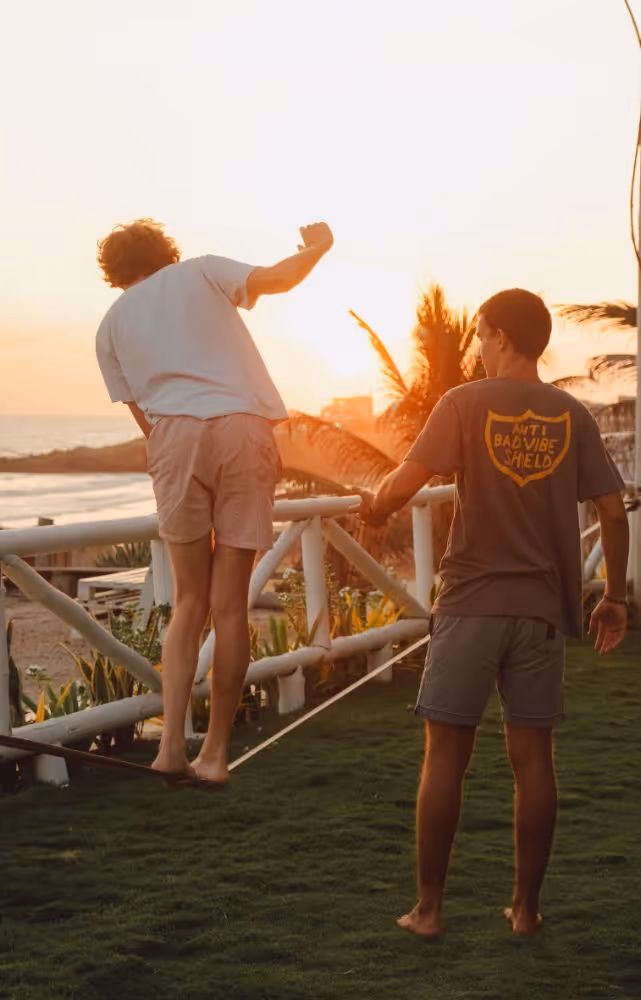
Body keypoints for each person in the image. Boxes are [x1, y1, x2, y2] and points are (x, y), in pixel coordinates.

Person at [356, 288, 629, 936]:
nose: (477, 348)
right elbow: (612, 512)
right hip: (538, 613)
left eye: (480, 336)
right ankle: (526, 912)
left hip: (472, 606)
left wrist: (371, 507)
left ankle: (427, 911)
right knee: (533, 760)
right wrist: (613, 598)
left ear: (502, 336)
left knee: (445, 757)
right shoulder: (570, 414)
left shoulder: (463, 403)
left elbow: (403, 481)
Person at [95, 217, 334, 785]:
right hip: (242, 432)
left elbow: (145, 419)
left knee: (188, 605)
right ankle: (217, 755)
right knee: (230, 607)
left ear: (114, 272)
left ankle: (170, 748)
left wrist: (183, 446)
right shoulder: (200, 271)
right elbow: (279, 278)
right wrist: (320, 246)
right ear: (164, 251)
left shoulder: (109, 326)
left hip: (174, 435)